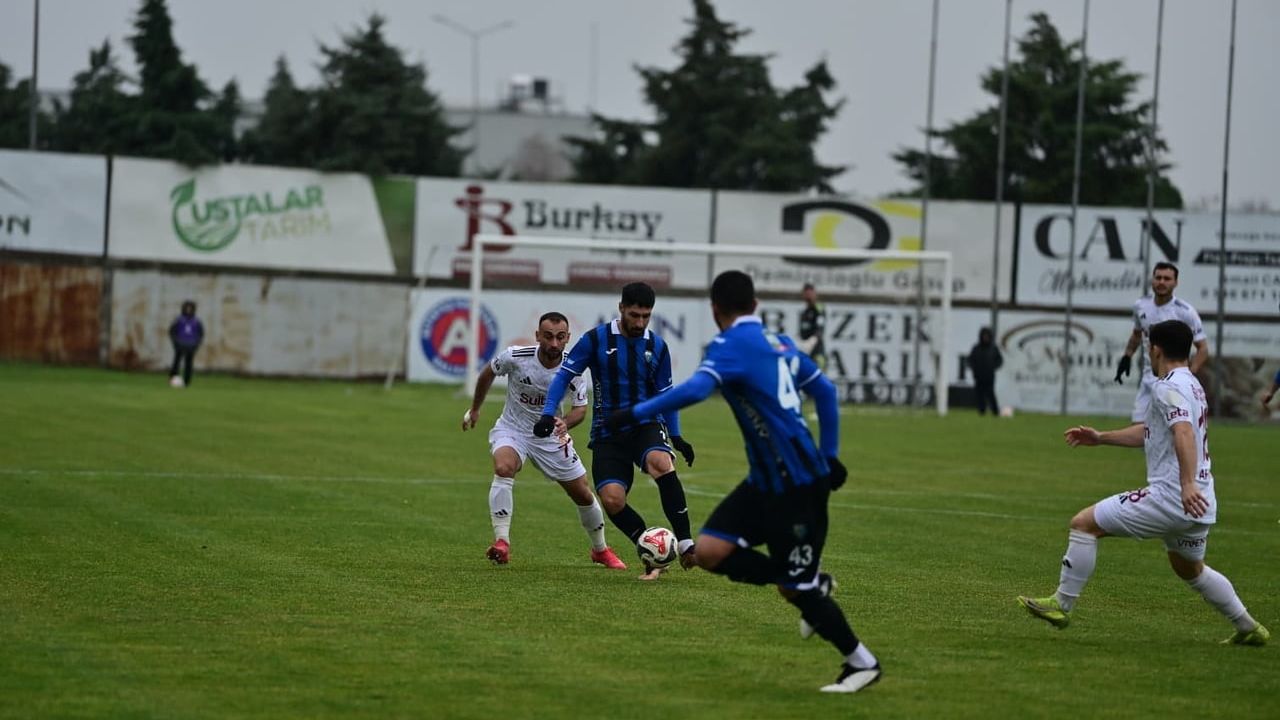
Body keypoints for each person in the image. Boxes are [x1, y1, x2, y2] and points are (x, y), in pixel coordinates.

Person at [607, 270, 881, 694]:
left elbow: (697, 389)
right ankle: (808, 584)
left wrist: (636, 413)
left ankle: (861, 662)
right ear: (755, 305)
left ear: (715, 311)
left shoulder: (730, 345)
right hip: (765, 481)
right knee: (710, 552)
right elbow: (825, 391)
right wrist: (830, 454)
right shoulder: (780, 341)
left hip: (797, 483)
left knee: (794, 589)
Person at [1018, 320, 1269, 647]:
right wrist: (1101, 437)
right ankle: (1249, 627)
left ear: (1155, 349)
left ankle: (1061, 605)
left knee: (1083, 524)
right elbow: (1152, 431)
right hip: (1201, 502)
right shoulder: (1192, 384)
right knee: (1190, 569)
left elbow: (1183, 433)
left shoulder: (1166, 386)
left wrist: (1186, 484)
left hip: (1173, 497)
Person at [533, 283, 697, 581]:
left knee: (661, 462)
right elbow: (564, 377)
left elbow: (667, 394)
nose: (639, 322)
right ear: (621, 308)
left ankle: (686, 543)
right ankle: (652, 551)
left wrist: (676, 435)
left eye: (646, 316)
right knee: (611, 500)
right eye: (634, 315)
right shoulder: (596, 339)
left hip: (645, 423)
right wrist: (548, 414)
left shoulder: (657, 346)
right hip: (607, 430)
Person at [463, 312, 627, 570]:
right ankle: (502, 543)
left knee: (583, 494)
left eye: (560, 337)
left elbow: (580, 409)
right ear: (538, 335)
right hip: (513, 429)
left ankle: (600, 550)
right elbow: (487, 374)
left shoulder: (573, 369)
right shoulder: (516, 357)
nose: (553, 343)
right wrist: (475, 409)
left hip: (551, 437)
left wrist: (566, 423)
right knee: (504, 467)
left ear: (567, 338)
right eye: (548, 336)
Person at [1114, 263, 1209, 423]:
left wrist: (1189, 375)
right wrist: (1127, 356)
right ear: (1152, 280)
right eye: (1158, 278)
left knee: (1172, 430)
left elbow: (1203, 349)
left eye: (1167, 278)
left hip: (1172, 383)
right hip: (1148, 380)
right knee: (1140, 428)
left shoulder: (1184, 312)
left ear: (1175, 283)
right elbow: (1137, 334)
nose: (1162, 282)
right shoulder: (1141, 305)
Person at [967, 327, 1003, 416]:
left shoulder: (993, 348)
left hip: (989, 376)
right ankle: (981, 411)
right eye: (984, 336)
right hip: (978, 376)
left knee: (991, 394)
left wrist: (993, 367)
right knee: (979, 395)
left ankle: (995, 412)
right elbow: (970, 360)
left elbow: (1000, 360)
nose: (985, 338)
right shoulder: (976, 348)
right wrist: (973, 367)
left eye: (987, 336)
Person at [168, 300, 204, 387]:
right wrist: (176, 342)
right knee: (176, 362)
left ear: (193, 309)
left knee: (189, 363)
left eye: (190, 308)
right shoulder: (179, 320)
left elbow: (200, 334)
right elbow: (172, 331)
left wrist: (196, 344)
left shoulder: (197, 321)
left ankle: (187, 381)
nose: (188, 310)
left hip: (191, 345)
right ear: (183, 308)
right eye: (187, 308)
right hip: (180, 344)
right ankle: (173, 379)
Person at [798, 282, 827, 369]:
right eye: (806, 292)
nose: (808, 295)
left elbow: (820, 328)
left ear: (815, 293)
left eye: (810, 292)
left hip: (817, 353)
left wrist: (813, 340)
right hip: (805, 353)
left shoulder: (819, 308)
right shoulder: (804, 313)